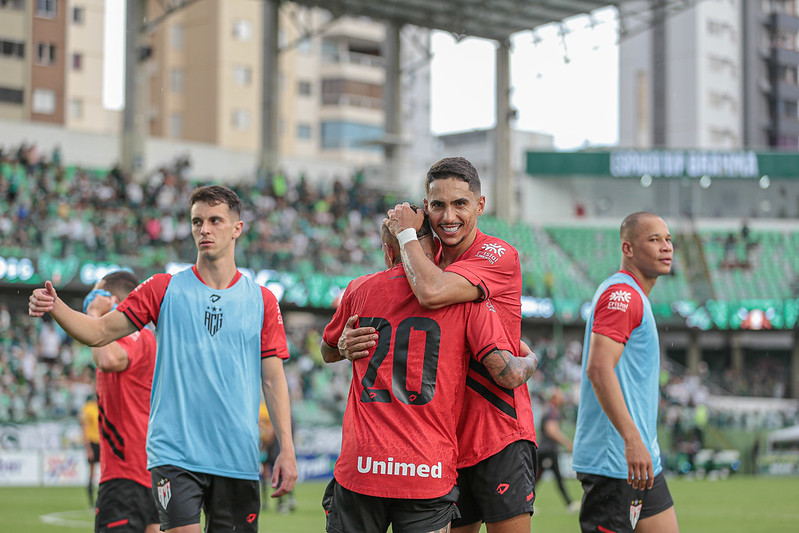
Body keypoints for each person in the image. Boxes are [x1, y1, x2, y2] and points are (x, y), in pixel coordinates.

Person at [29, 185, 298, 533]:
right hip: (175, 454)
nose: (204, 229)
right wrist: (56, 306)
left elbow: (273, 378)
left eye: (215, 220)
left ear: (237, 228)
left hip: (237, 456)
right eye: (197, 221)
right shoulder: (163, 288)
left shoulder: (262, 301)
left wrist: (287, 448)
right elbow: (99, 332)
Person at [343, 159, 538, 533]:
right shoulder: (422, 261)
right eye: (438, 205)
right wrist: (345, 342)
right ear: (426, 207)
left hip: (496, 432)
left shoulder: (496, 254)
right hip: (440, 442)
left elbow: (432, 291)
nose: (449, 216)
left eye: (460, 204)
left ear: (480, 205)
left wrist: (532, 361)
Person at [572, 211, 679, 533]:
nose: (666, 247)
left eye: (668, 239)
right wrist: (631, 439)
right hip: (617, 460)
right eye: (654, 239)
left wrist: (638, 444)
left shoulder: (633, 294)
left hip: (641, 458)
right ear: (628, 248)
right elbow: (598, 368)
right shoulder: (622, 295)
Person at [85, 270, 160, 533]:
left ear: (112, 299)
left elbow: (108, 360)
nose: (90, 298)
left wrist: (94, 315)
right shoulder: (147, 337)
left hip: (126, 474)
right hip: (148, 472)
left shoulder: (130, 334)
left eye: (96, 293)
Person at [534, 387, 579, 514]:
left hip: (546, 450)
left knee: (541, 478)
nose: (563, 399)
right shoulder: (552, 412)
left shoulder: (550, 410)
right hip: (547, 450)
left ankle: (569, 503)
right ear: (554, 399)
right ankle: (569, 504)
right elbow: (551, 431)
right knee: (542, 478)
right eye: (560, 396)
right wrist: (567, 443)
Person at [80, 393, 100, 508]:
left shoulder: (99, 406)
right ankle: (91, 502)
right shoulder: (88, 408)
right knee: (92, 474)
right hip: (93, 443)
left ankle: (100, 501)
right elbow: (84, 427)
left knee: (104, 473)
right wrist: (88, 447)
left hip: (102, 443)